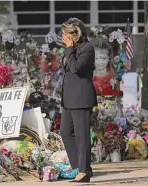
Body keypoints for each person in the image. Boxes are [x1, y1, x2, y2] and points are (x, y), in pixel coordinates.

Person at [60, 18, 97, 183]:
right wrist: (69, 49)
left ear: (75, 34)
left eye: (65, 34)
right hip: (69, 98)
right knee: (65, 132)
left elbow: (75, 68)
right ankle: (81, 167)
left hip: (81, 99)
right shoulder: (71, 49)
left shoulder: (87, 49)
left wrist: (69, 49)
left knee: (82, 136)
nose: (62, 36)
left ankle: (83, 172)